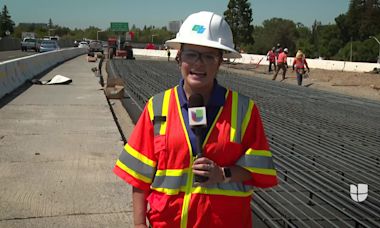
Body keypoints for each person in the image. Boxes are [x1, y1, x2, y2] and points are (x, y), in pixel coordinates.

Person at [113, 11, 277, 228]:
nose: (199, 64)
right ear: (179, 57)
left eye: (209, 56)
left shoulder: (245, 110)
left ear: (220, 62)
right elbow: (139, 175)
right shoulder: (157, 107)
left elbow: (259, 170)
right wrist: (139, 224)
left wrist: (223, 174)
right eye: (192, 54)